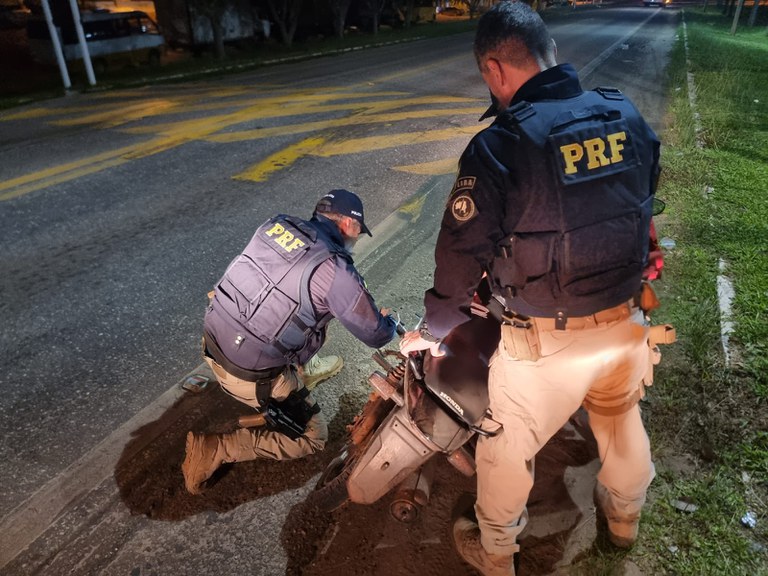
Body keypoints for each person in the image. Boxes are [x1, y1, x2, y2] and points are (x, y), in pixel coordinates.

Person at [399, 2, 664, 574]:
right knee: (620, 421)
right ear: (548, 53)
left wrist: (436, 327)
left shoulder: (500, 146)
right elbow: (642, 200)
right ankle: (623, 525)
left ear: (495, 69)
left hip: (546, 341)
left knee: (505, 444)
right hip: (625, 322)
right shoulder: (624, 114)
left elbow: (459, 253)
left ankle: (496, 554)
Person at [183, 189, 398, 495]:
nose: (357, 238)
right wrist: (387, 323)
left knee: (303, 307)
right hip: (246, 375)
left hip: (212, 341)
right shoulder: (335, 269)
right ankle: (218, 448)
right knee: (313, 436)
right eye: (358, 232)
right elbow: (375, 334)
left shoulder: (277, 224)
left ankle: (302, 372)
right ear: (349, 225)